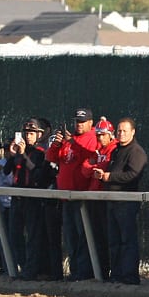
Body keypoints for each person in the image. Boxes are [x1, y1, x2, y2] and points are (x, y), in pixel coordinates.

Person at [92, 117, 147, 285]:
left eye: (124, 131)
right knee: (114, 241)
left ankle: (129, 276)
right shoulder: (116, 150)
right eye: (119, 131)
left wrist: (110, 177)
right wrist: (103, 176)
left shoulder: (136, 151)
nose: (121, 134)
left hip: (126, 202)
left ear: (133, 132)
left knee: (127, 241)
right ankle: (116, 274)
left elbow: (133, 175)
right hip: (112, 201)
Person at [46, 107, 98, 281]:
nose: (79, 125)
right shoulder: (71, 139)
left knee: (83, 235)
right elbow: (51, 158)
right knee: (71, 236)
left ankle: (84, 272)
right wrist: (57, 144)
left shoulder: (91, 138)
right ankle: (76, 271)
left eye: (82, 122)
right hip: (66, 196)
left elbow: (90, 155)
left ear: (91, 123)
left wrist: (72, 142)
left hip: (82, 196)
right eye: (77, 121)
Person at [6, 119, 56, 280]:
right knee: (14, 236)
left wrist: (24, 157)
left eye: (32, 133)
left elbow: (39, 176)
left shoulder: (41, 153)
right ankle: (23, 266)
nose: (28, 136)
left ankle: (31, 270)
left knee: (33, 237)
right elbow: (7, 170)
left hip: (32, 199)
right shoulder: (21, 151)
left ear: (40, 134)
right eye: (27, 133)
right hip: (17, 198)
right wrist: (13, 155)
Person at [79, 116, 117, 279]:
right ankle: (100, 272)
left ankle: (111, 272)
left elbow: (100, 168)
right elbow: (85, 170)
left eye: (103, 134)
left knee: (110, 238)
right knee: (97, 238)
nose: (100, 137)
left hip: (107, 200)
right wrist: (95, 166)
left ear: (110, 135)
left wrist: (95, 166)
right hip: (95, 198)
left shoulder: (114, 149)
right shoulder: (99, 151)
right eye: (98, 135)